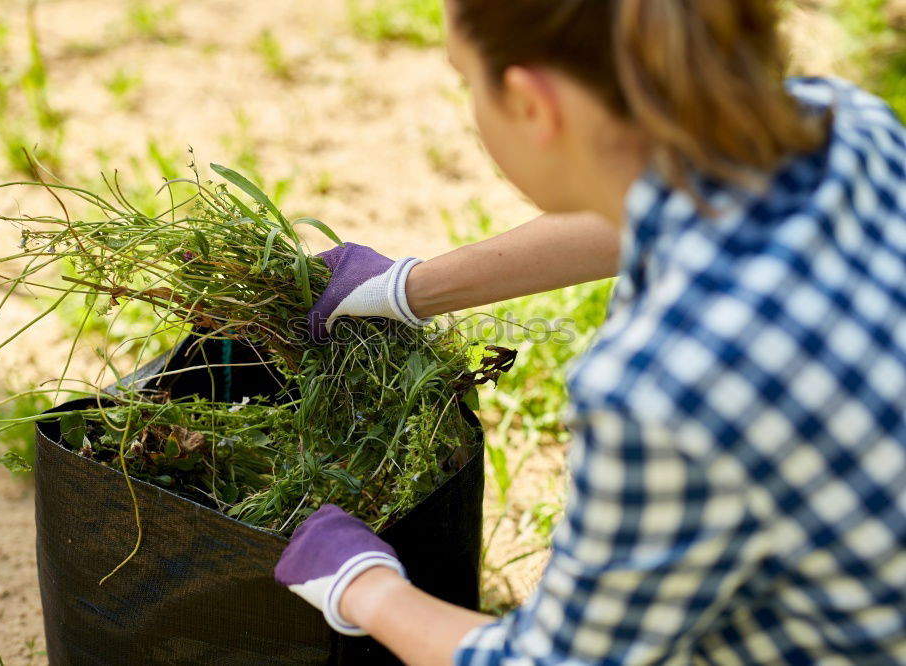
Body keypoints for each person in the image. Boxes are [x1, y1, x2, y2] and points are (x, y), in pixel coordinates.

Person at [275, 0, 906, 664]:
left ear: (530, 104)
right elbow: (644, 201)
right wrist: (411, 288)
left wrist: (364, 586)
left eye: (467, 79)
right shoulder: (840, 122)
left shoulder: (660, 390)